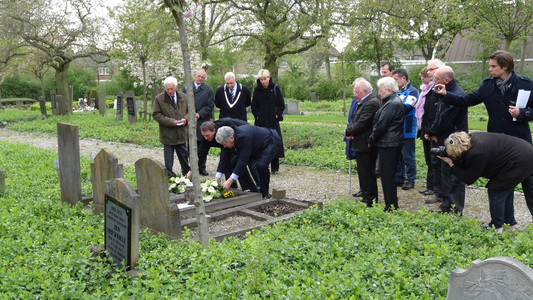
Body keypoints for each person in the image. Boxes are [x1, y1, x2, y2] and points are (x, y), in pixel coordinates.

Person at [436, 50, 533, 221]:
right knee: (504, 183)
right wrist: (446, 94)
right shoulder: (488, 85)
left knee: (530, 185)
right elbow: (467, 100)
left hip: (520, 142)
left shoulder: (525, 84)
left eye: (493, 66)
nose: (490, 69)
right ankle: (507, 221)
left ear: (505, 67)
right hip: (496, 144)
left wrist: (523, 113)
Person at [441, 132, 533, 233]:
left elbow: (469, 179)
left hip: (520, 160)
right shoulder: (471, 139)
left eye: (451, 152)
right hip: (524, 151)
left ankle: (496, 226)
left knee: (496, 190)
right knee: (505, 189)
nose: (449, 154)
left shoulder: (477, 153)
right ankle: (508, 223)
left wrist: (451, 165)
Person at [425, 66, 467, 214]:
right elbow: (437, 112)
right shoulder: (444, 91)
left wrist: (431, 131)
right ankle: (446, 205)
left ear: (446, 80)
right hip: (445, 137)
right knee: (445, 172)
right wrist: (432, 131)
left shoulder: (456, 94)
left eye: (436, 78)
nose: (433, 80)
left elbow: (446, 119)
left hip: (455, 140)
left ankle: (456, 209)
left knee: (454, 174)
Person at [216, 126, 281, 199]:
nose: (224, 146)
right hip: (254, 144)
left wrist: (229, 181)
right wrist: (216, 180)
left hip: (270, 141)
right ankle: (251, 189)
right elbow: (223, 159)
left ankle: (264, 193)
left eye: (224, 144)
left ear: (232, 138)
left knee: (261, 165)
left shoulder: (243, 137)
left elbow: (243, 161)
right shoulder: (228, 140)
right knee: (234, 162)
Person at [368, 77, 404, 212]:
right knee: (387, 175)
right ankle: (390, 203)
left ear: (389, 90)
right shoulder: (390, 101)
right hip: (390, 142)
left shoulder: (392, 103)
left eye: (381, 91)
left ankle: (391, 205)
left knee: (387, 175)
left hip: (389, 144)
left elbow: (381, 125)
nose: (379, 93)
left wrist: (371, 138)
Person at [345, 78, 381, 207]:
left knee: (367, 172)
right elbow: (355, 119)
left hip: (366, 143)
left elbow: (362, 123)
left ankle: (370, 198)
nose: (355, 95)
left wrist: (349, 132)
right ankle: (366, 195)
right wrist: (350, 130)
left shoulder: (371, 103)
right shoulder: (363, 102)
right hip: (360, 142)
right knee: (363, 171)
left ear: (365, 91)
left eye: (357, 92)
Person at [199, 118, 259, 192]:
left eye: (207, 135)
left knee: (248, 161)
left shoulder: (224, 129)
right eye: (204, 136)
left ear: (214, 131)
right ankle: (237, 186)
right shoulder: (207, 136)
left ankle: (259, 184)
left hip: (244, 137)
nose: (205, 138)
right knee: (229, 161)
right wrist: (193, 168)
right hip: (230, 142)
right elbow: (202, 152)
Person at [153, 76, 190, 178]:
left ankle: (187, 175)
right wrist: (171, 122)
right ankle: (169, 177)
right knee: (168, 159)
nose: (169, 91)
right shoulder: (159, 99)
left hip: (181, 133)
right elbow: (156, 114)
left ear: (176, 87)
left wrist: (186, 119)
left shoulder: (184, 97)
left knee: (183, 156)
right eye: (167, 89)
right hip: (168, 134)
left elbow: (190, 111)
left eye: (171, 89)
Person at [180, 69, 214, 176]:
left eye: (202, 77)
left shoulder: (208, 89)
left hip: (202, 122)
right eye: (199, 76)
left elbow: (210, 105)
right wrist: (189, 114)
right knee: (190, 146)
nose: (200, 78)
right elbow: (181, 102)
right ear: (195, 75)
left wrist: (199, 114)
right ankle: (190, 168)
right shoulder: (186, 87)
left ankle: (202, 167)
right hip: (189, 120)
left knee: (202, 146)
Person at [251, 69, 285, 174]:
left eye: (265, 79)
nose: (263, 81)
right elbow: (254, 106)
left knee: (275, 142)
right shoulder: (256, 91)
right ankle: (261, 165)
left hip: (272, 121)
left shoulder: (275, 89)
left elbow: (281, 104)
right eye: (261, 79)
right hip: (260, 122)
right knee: (261, 144)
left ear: (269, 78)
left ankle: (275, 167)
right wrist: (257, 115)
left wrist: (276, 114)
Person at [391, 68, 419, 190]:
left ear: (403, 78)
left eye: (395, 79)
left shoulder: (412, 91)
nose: (394, 82)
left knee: (408, 156)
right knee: (398, 156)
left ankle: (411, 179)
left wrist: (392, 111)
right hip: (396, 129)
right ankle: (399, 177)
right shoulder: (396, 92)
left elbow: (406, 108)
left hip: (407, 129)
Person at [423, 59, 446, 203]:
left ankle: (443, 194)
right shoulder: (432, 89)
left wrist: (433, 131)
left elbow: (443, 114)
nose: (428, 72)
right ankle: (438, 192)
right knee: (434, 162)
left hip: (441, 134)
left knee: (442, 164)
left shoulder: (444, 90)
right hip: (431, 131)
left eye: (431, 70)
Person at [416, 67, 435, 196]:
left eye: (425, 77)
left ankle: (433, 186)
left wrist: (429, 131)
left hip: (430, 130)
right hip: (424, 129)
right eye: (422, 77)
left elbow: (431, 114)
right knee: (428, 159)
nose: (423, 79)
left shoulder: (433, 91)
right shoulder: (423, 91)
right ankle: (430, 185)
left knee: (433, 159)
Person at [345, 81, 360, 197]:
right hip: (352, 132)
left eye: (356, 91)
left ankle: (363, 187)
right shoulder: (354, 100)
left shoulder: (366, 102)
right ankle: (361, 186)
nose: (354, 94)